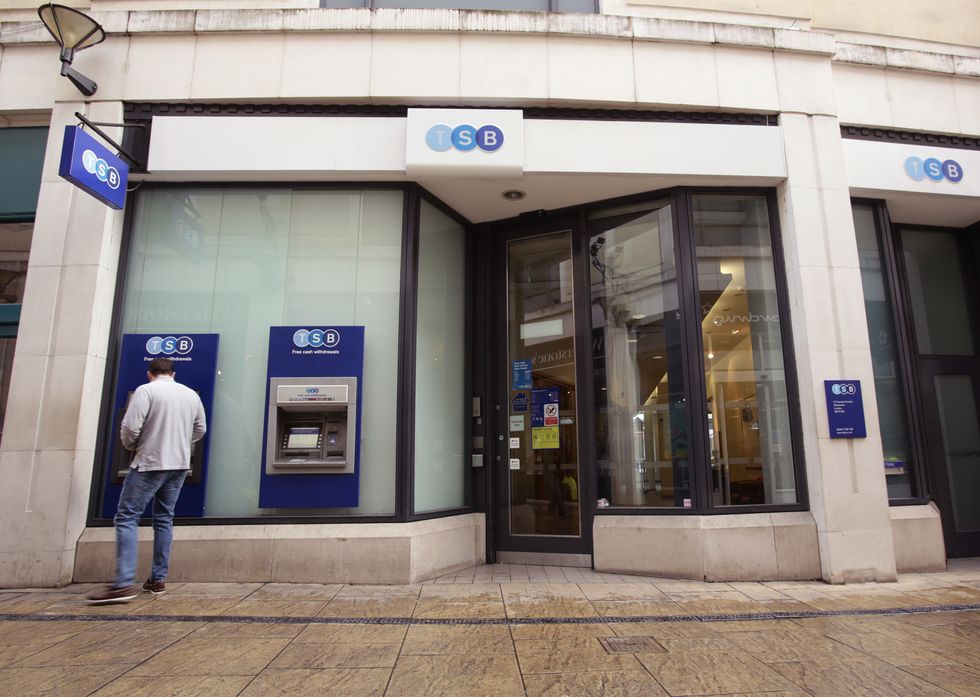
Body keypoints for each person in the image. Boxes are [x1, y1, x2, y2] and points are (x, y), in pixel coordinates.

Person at [86, 357, 206, 604]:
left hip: (150, 462)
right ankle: (157, 579)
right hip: (180, 464)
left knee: (127, 517)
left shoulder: (146, 391)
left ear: (150, 373)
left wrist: (133, 446)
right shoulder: (189, 395)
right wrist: (181, 444)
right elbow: (200, 429)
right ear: (172, 373)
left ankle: (123, 583)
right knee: (164, 518)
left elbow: (130, 428)